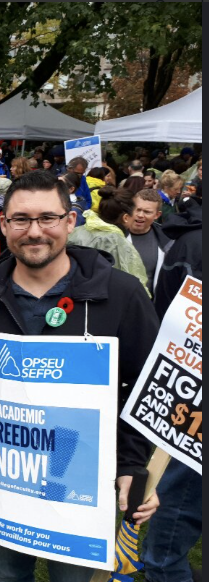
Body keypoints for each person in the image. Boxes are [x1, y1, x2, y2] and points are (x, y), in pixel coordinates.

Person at [0, 170, 160, 582]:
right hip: (7, 480)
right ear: (4, 224)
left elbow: (146, 386)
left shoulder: (120, 294)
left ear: (71, 220)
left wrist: (133, 465)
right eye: (21, 220)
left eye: (47, 217)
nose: (34, 232)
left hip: (84, 483)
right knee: (7, 573)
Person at [140, 202, 202, 582]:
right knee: (178, 507)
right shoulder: (191, 245)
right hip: (191, 402)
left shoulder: (183, 242)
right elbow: (169, 322)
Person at [68, 186, 149, 292]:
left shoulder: (75, 232)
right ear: (125, 218)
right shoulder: (121, 244)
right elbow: (137, 287)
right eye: (135, 213)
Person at [123, 189, 171, 297]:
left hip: (148, 306)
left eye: (147, 212)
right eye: (137, 209)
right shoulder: (114, 235)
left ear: (157, 215)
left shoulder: (166, 241)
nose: (140, 215)